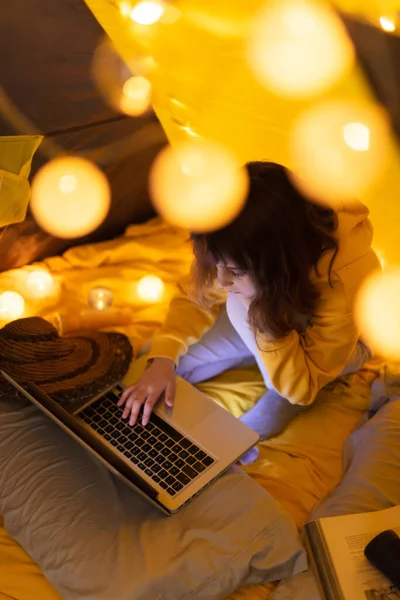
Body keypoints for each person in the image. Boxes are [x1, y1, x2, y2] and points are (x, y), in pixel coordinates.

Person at [118, 161, 380, 461]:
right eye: (216, 263)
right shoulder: (239, 228)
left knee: (253, 426)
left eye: (235, 271)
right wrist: (164, 357)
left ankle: (262, 381)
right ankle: (255, 347)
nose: (221, 280)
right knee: (157, 362)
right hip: (271, 303)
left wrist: (260, 315)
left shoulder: (344, 280)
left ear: (278, 266)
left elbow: (301, 388)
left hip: (335, 348)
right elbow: (197, 296)